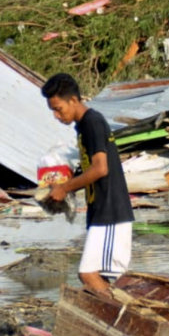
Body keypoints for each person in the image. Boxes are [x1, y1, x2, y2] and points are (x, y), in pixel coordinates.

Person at [41, 73, 134, 300]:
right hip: (101, 210)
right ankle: (118, 318)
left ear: (74, 100)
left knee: (89, 274)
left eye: (58, 108)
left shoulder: (92, 122)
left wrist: (65, 188)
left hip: (111, 211)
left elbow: (101, 169)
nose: (56, 115)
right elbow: (92, 169)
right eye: (52, 110)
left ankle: (124, 320)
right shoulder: (83, 126)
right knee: (94, 276)